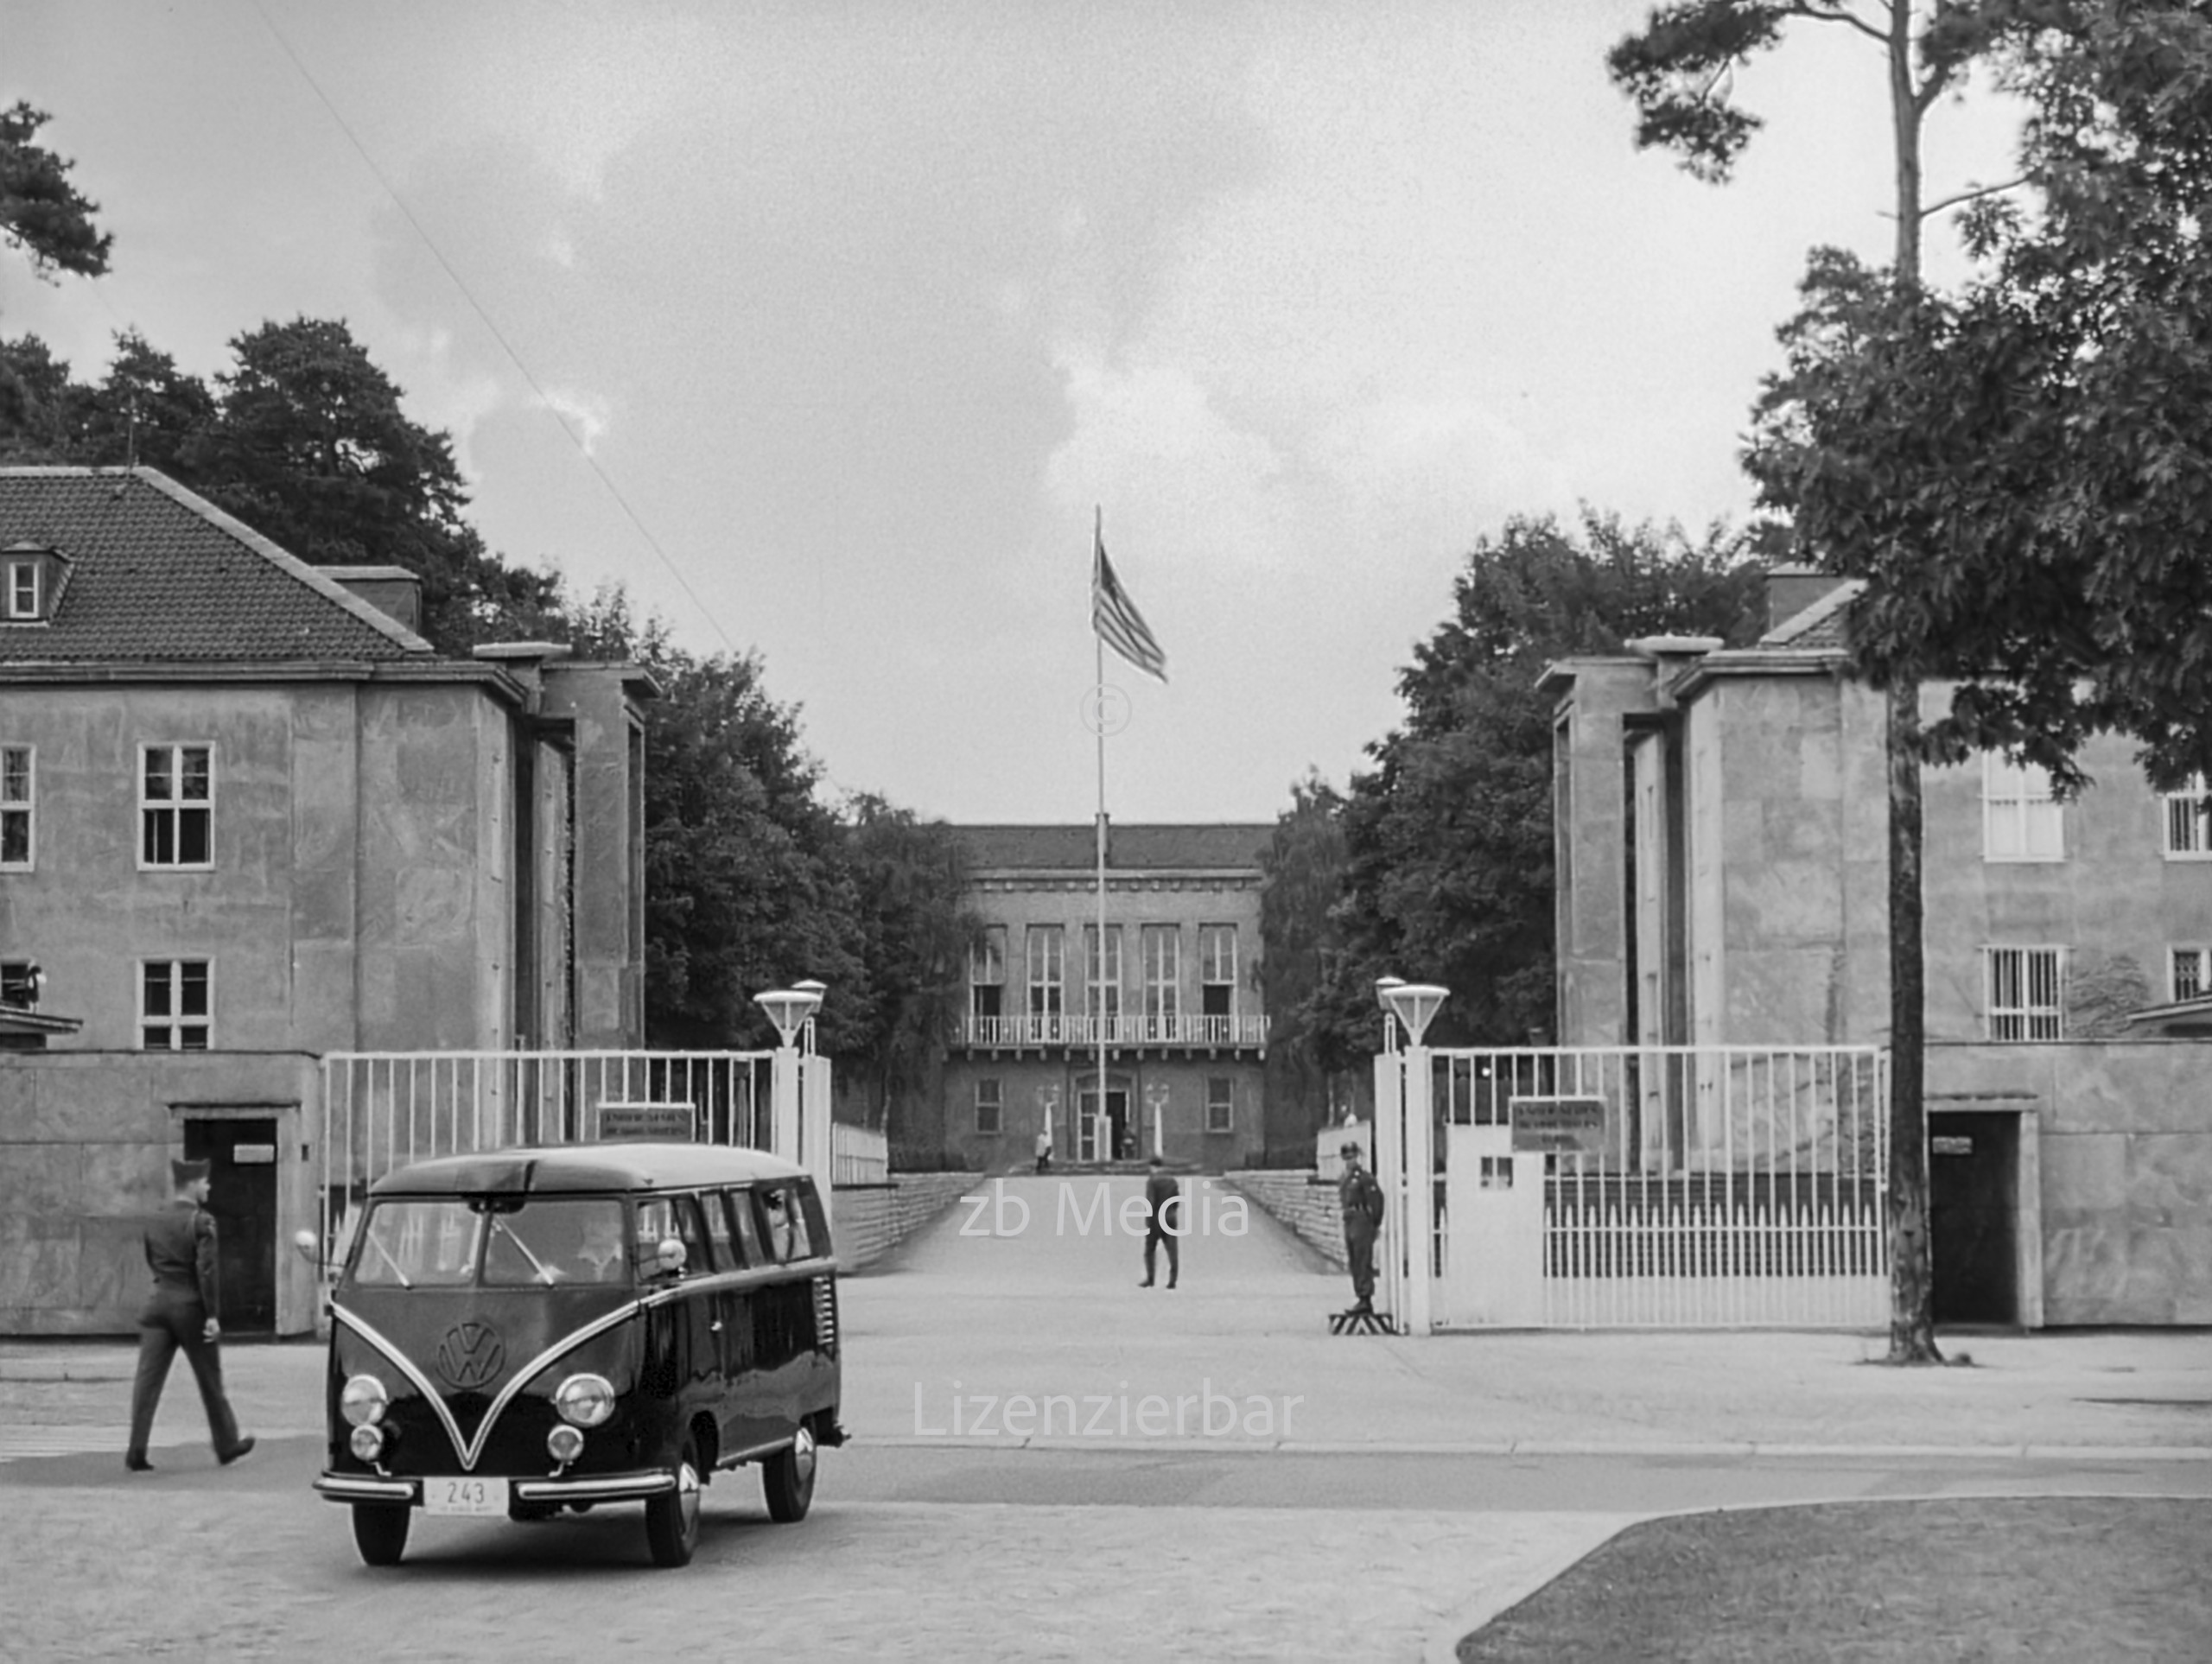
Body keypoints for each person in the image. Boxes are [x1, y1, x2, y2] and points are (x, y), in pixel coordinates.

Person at [125, 1158, 255, 1472]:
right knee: (210, 1380)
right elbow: (207, 1270)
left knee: (147, 1381)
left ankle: (136, 1450)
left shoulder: (154, 1219)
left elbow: (151, 1260)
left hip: (158, 1304)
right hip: (190, 1307)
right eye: (205, 1182)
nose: (208, 1187)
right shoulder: (202, 1221)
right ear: (194, 1184)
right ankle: (226, 1445)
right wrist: (212, 1315)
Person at [1338, 1140, 1385, 1314]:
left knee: (1363, 1258)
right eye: (1347, 1158)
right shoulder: (1345, 1178)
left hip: (1361, 1219)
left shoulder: (1364, 1178)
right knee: (1354, 1259)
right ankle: (1359, 1294)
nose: (1350, 1161)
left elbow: (1377, 1200)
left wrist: (1374, 1223)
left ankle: (1366, 1297)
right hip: (1350, 1219)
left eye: (1352, 1157)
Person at [1138, 1156, 1180, 1289]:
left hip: (1156, 1218)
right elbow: (1176, 1199)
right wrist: (1172, 1211)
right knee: (1172, 1250)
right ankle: (1172, 1280)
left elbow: (1150, 1201)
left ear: (1153, 1167)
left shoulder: (1152, 1181)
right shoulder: (1172, 1181)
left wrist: (1148, 1218)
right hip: (1170, 1216)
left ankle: (1150, 1279)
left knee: (1150, 1249)